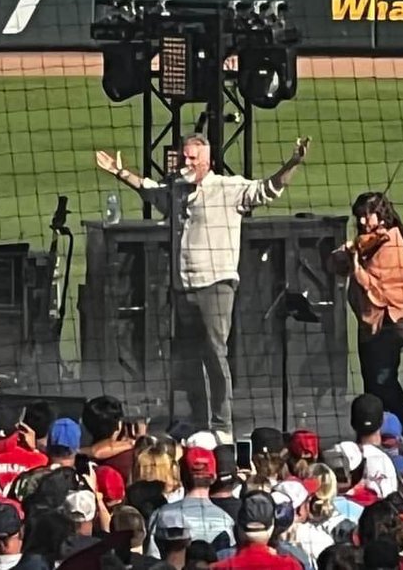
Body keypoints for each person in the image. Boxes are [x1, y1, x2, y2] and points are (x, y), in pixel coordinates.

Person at [95, 134, 308, 436]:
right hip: (183, 287)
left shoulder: (228, 188)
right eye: (184, 157)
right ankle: (199, 420)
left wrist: (293, 162)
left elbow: (267, 190)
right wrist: (120, 172)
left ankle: (222, 425)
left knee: (214, 353)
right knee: (188, 357)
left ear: (207, 161)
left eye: (193, 158)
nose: (186, 162)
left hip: (216, 286)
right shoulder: (176, 192)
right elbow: (149, 190)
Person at [329, 192, 403, 442]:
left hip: (389, 322)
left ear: (382, 215)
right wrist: (347, 254)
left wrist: (357, 268)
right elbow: (334, 265)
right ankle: (378, 435)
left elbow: (377, 291)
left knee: (384, 384)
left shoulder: (392, 246)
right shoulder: (369, 241)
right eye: (360, 217)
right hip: (370, 324)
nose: (365, 222)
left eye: (369, 216)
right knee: (372, 384)